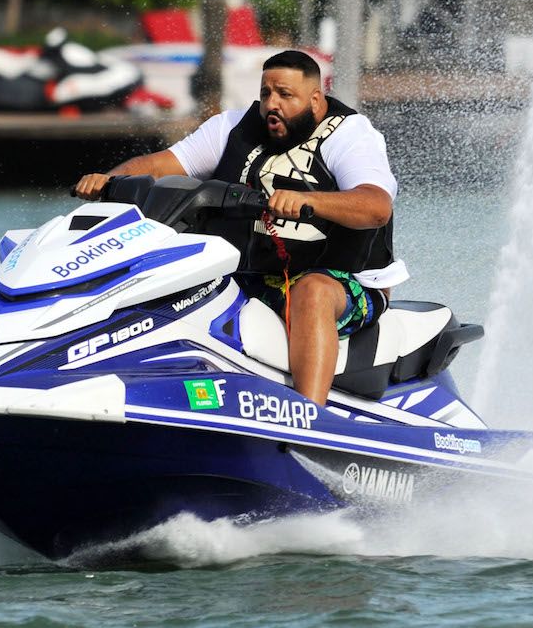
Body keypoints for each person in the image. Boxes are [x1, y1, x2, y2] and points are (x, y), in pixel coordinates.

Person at [73, 50, 405, 405]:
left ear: (315, 99)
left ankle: (309, 418)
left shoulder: (349, 134)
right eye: (266, 94)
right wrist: (108, 181)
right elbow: (159, 166)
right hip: (253, 276)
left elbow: (375, 207)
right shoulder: (231, 128)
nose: (271, 105)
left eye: (285, 96)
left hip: (343, 283)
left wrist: (311, 201)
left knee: (312, 292)